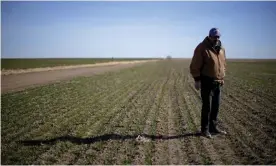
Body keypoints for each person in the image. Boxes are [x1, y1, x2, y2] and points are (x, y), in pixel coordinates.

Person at [189, 28, 227, 138]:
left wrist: (222, 77)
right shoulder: (202, 47)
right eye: (214, 36)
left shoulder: (222, 49)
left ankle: (213, 127)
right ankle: (204, 129)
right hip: (206, 81)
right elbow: (195, 65)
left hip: (218, 82)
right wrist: (197, 80)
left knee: (216, 106)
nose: (216, 39)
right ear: (209, 36)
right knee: (207, 107)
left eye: (218, 37)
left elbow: (223, 64)